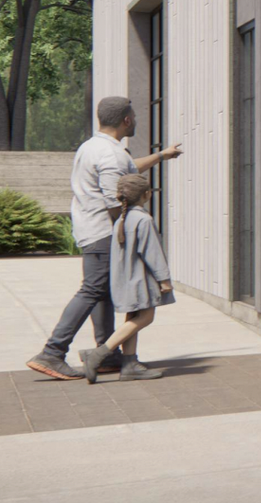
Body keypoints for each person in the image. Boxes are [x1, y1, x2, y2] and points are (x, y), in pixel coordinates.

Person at [25, 96, 182, 381]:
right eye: (133, 115)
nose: (135, 119)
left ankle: (108, 354)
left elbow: (127, 170)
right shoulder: (111, 154)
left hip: (90, 229)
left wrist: (161, 156)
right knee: (92, 291)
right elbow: (116, 202)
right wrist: (134, 235)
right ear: (126, 120)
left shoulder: (94, 147)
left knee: (103, 293)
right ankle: (52, 351)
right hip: (104, 234)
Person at [80, 174, 173, 383]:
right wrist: (164, 279)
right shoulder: (143, 219)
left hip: (126, 278)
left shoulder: (123, 218)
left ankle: (130, 363)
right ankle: (98, 354)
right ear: (146, 195)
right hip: (140, 280)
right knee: (145, 317)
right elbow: (153, 253)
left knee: (132, 318)